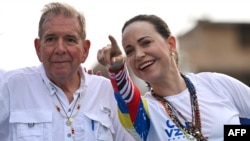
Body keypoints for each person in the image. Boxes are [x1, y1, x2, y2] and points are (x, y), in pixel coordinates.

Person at [97, 14, 250, 141]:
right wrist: (117, 70)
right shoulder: (145, 111)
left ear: (171, 44)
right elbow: (128, 100)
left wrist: (230, 133)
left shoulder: (215, 83)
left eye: (146, 43)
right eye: (129, 51)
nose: (139, 54)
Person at [0, 2, 135, 141]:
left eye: (70, 40)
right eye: (51, 39)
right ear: (38, 48)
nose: (60, 49)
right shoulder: (10, 87)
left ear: (85, 50)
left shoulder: (107, 92)